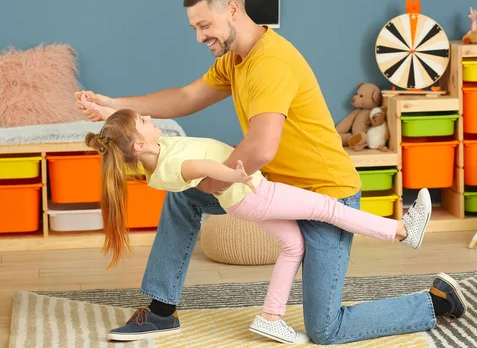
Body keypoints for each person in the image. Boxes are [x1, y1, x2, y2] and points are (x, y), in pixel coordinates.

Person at [76, 0, 467, 345]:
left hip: (327, 194)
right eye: (194, 28)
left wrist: (215, 179)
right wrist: (115, 105)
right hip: (274, 188)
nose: (199, 36)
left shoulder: (270, 63)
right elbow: (185, 98)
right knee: (183, 195)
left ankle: (434, 302)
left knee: (325, 329)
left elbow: (262, 148)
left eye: (204, 25)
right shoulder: (235, 60)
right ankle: (161, 310)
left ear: (232, 10)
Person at [81, 105, 434, 344]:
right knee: (327, 208)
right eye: (143, 121)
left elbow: (142, 138)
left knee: (294, 245)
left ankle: (270, 316)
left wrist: (106, 114)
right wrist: (238, 171)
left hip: (243, 202)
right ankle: (402, 230)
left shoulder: (153, 156)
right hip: (255, 193)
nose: (148, 117)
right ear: (140, 142)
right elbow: (204, 169)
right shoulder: (171, 164)